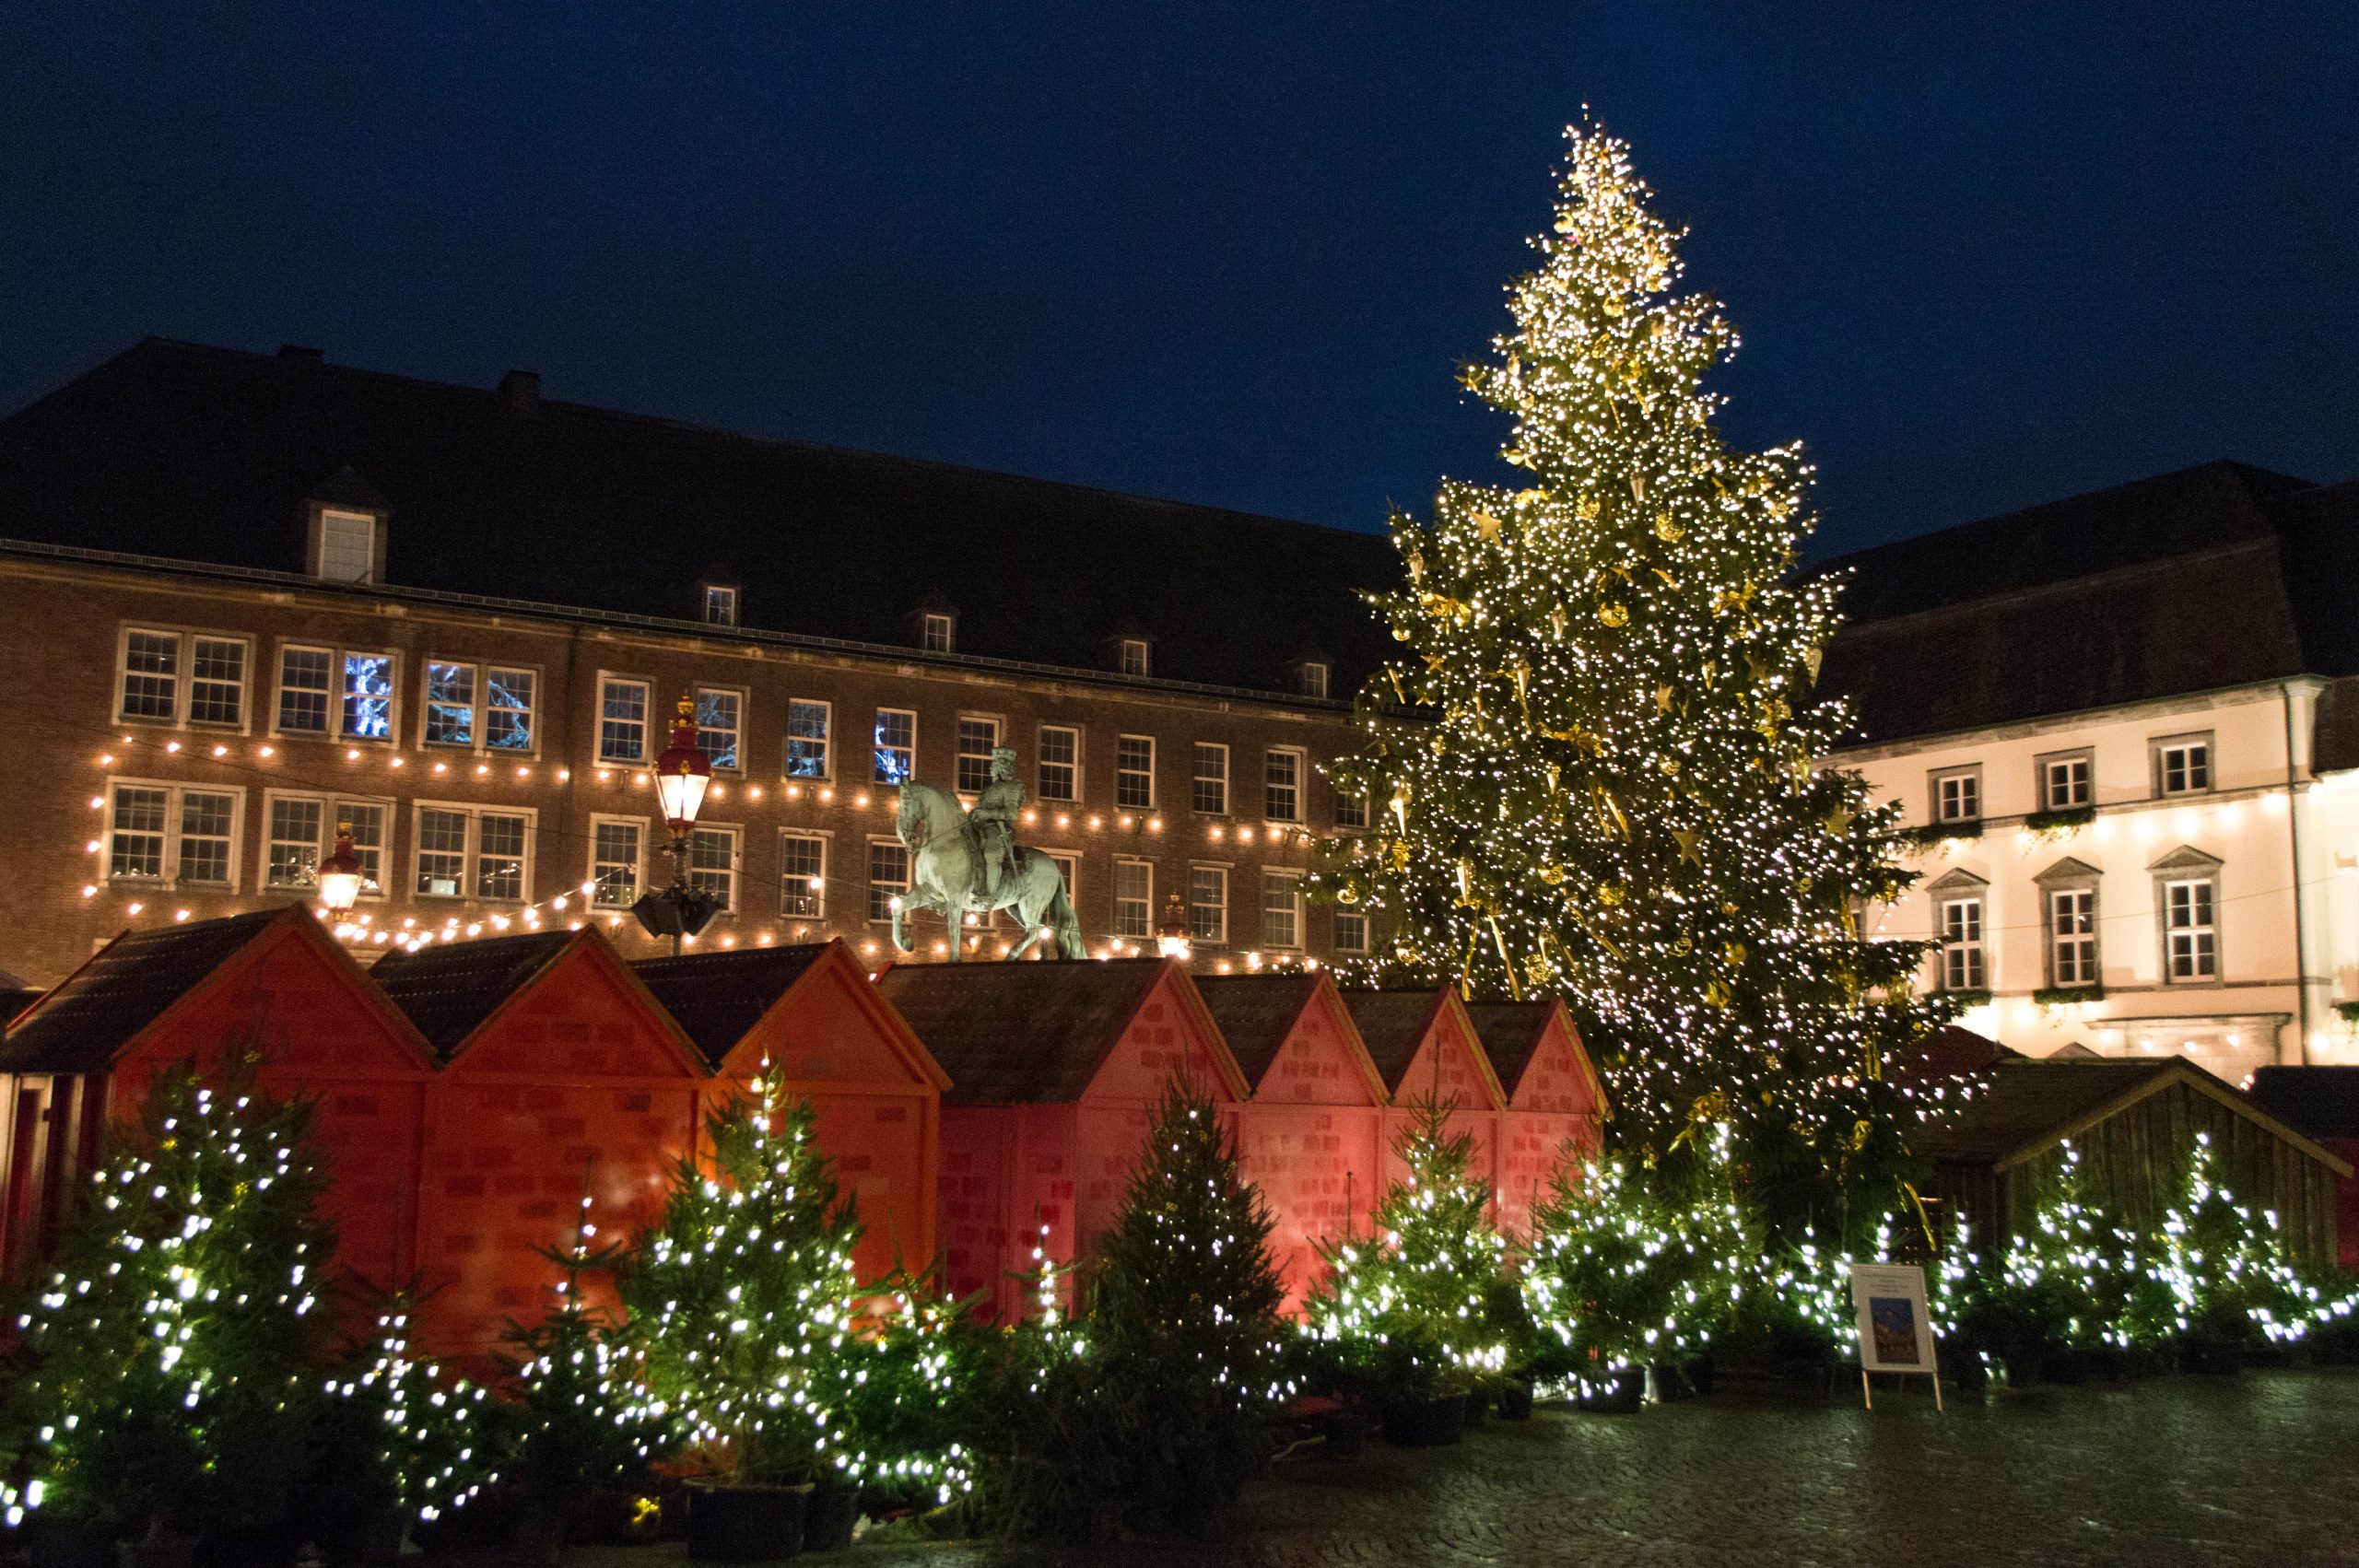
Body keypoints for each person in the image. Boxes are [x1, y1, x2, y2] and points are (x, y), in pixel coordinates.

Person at [969, 746, 1024, 903]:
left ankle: (989, 893)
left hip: (997, 828)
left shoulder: (1012, 787)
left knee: (991, 854)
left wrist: (988, 814)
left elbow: (1012, 814)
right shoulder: (989, 789)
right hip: (978, 826)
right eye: (993, 764)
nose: (991, 768)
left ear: (1003, 768)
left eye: (995, 765)